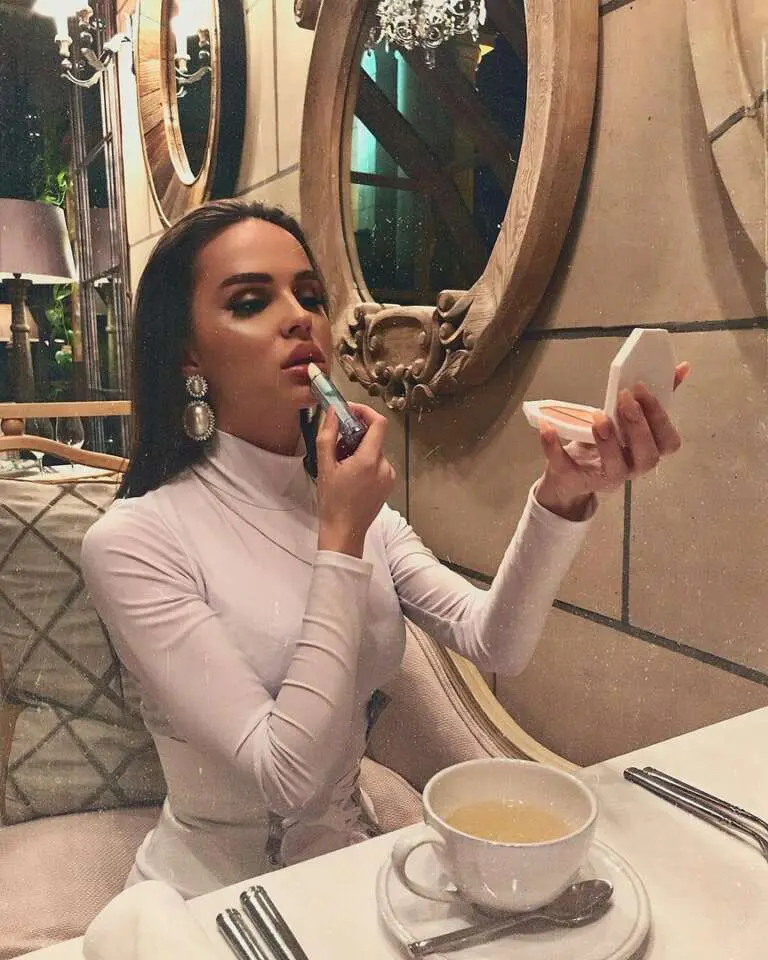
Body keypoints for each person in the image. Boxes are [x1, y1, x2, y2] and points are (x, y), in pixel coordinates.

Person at [81, 199, 688, 898]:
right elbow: (287, 777)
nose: (299, 318)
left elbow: (495, 642)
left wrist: (563, 494)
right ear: (188, 353)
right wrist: (339, 535)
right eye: (251, 302)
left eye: (310, 296)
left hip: (350, 873)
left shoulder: (359, 510)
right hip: (213, 905)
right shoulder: (134, 542)